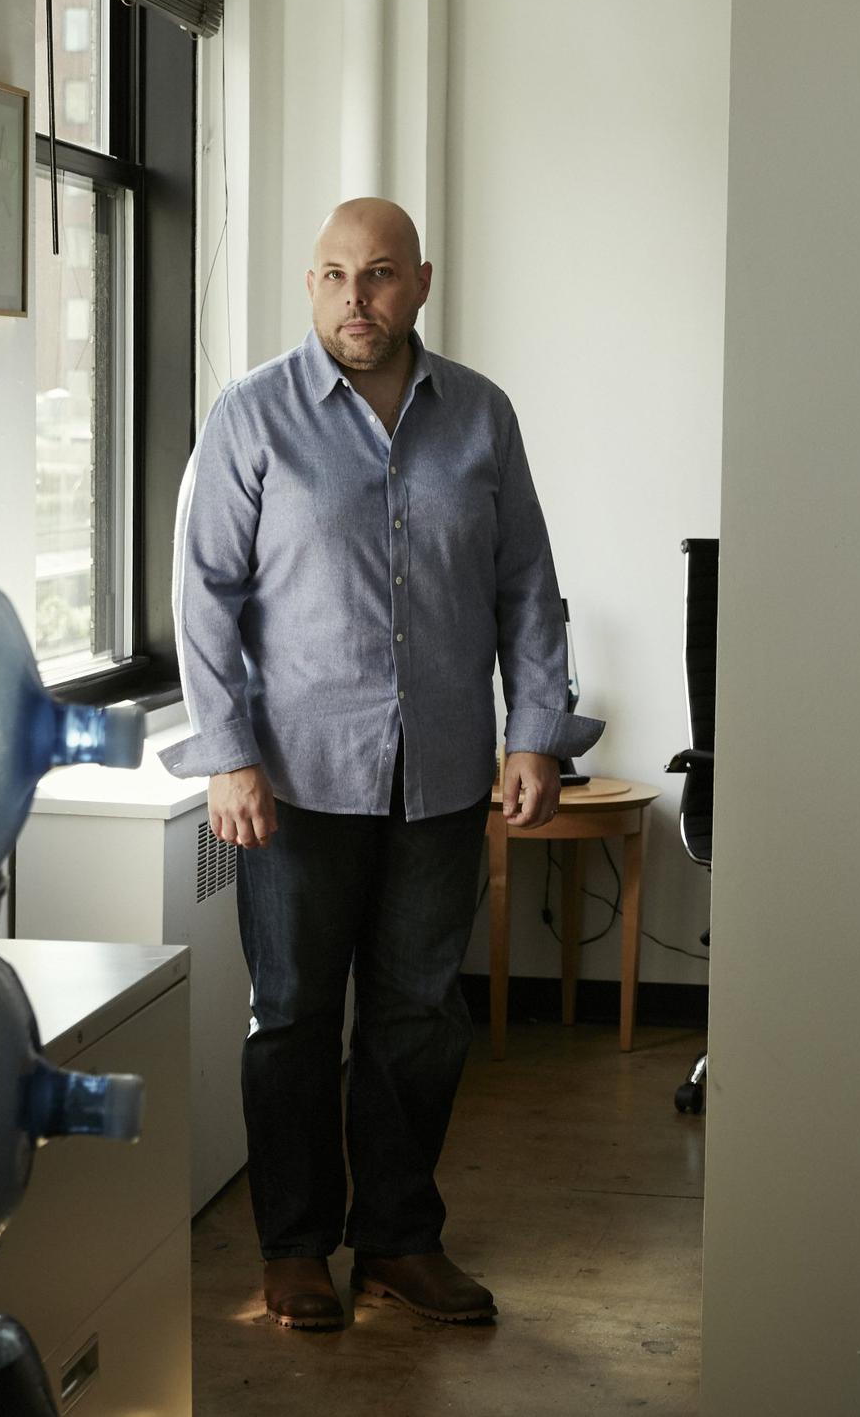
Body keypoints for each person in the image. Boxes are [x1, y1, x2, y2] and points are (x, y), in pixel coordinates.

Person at [160, 198, 603, 1331]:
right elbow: (201, 591)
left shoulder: (481, 417)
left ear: (421, 283)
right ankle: (295, 1247)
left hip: (445, 773)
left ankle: (400, 1238)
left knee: (417, 1017)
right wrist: (226, 755)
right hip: (295, 778)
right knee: (295, 1014)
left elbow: (525, 586)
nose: (355, 297)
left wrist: (533, 732)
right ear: (310, 284)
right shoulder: (250, 415)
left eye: (380, 274)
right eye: (332, 275)